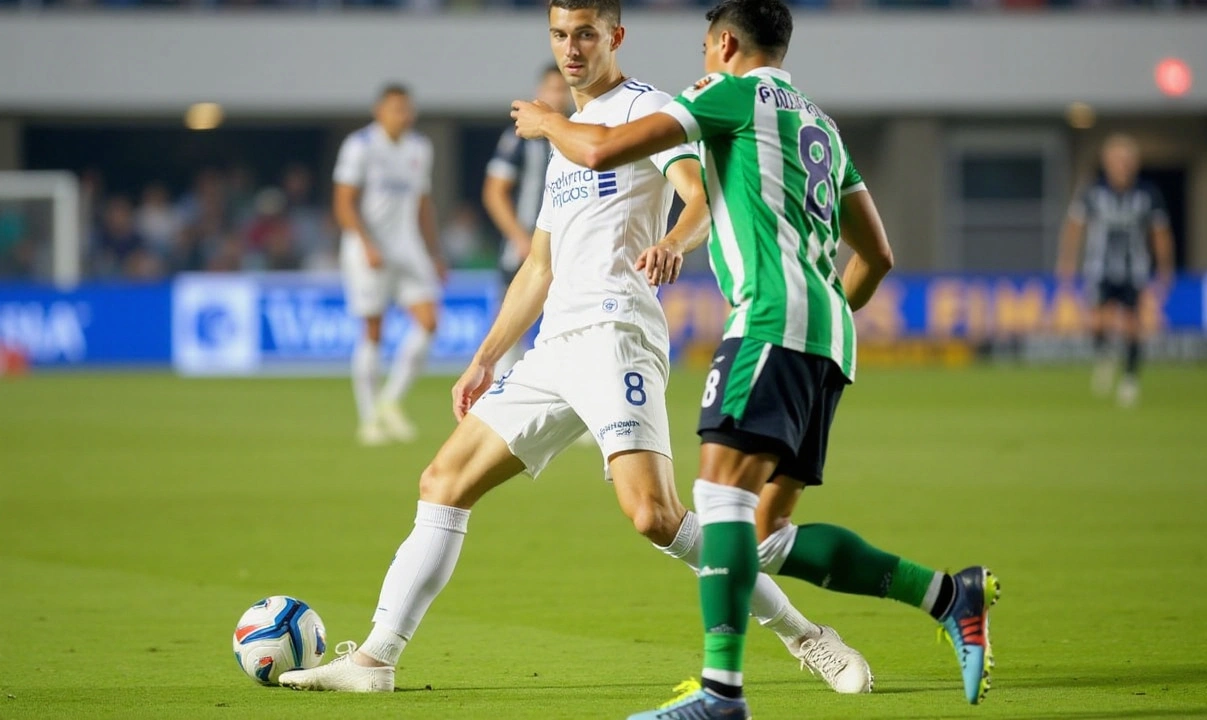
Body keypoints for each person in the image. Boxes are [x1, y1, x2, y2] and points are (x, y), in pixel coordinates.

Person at [279, 0, 872, 697]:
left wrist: (673, 244)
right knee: (443, 482)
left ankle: (807, 636)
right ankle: (376, 659)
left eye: (586, 34)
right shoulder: (561, 145)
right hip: (555, 344)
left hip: (618, 333)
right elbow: (539, 265)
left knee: (654, 516)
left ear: (615, 36)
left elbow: (701, 197)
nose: (571, 48)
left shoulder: (648, 108)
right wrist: (485, 356)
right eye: (560, 34)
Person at [511, 0, 997, 716]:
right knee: (763, 534)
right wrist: (823, 315)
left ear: (725, 43)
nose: (702, 63)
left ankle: (721, 695)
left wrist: (547, 120)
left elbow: (598, 150)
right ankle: (951, 596)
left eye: (707, 49)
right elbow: (880, 256)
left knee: (718, 502)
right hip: (830, 336)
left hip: (769, 320)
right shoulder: (821, 125)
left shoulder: (726, 94)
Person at [333, 83, 449, 446]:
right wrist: (364, 243)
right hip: (369, 249)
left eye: (408, 109)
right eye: (397, 108)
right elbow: (344, 201)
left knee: (430, 322)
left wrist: (434, 251)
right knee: (374, 330)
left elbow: (422, 203)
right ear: (379, 111)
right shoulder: (360, 146)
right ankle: (368, 419)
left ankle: (389, 402)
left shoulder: (419, 147)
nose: (404, 115)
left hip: (408, 247)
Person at [1057, 133, 1174, 408]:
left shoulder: (1147, 195)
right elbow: (1074, 228)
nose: (1121, 165)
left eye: (1126, 160)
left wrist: (1165, 268)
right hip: (1099, 268)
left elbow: (1160, 233)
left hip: (1135, 270)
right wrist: (1066, 263)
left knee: (1133, 325)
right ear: (1106, 162)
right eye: (1116, 160)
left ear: (1134, 163)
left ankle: (1130, 380)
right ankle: (1105, 356)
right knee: (1098, 322)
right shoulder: (1093, 192)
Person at [483, 64, 572, 378]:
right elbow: (494, 192)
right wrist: (520, 238)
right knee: (510, 323)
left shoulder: (578, 132)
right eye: (552, 88)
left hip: (569, 247)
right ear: (540, 93)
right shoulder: (520, 135)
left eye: (563, 89)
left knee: (568, 325)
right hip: (524, 247)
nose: (558, 95)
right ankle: (498, 403)